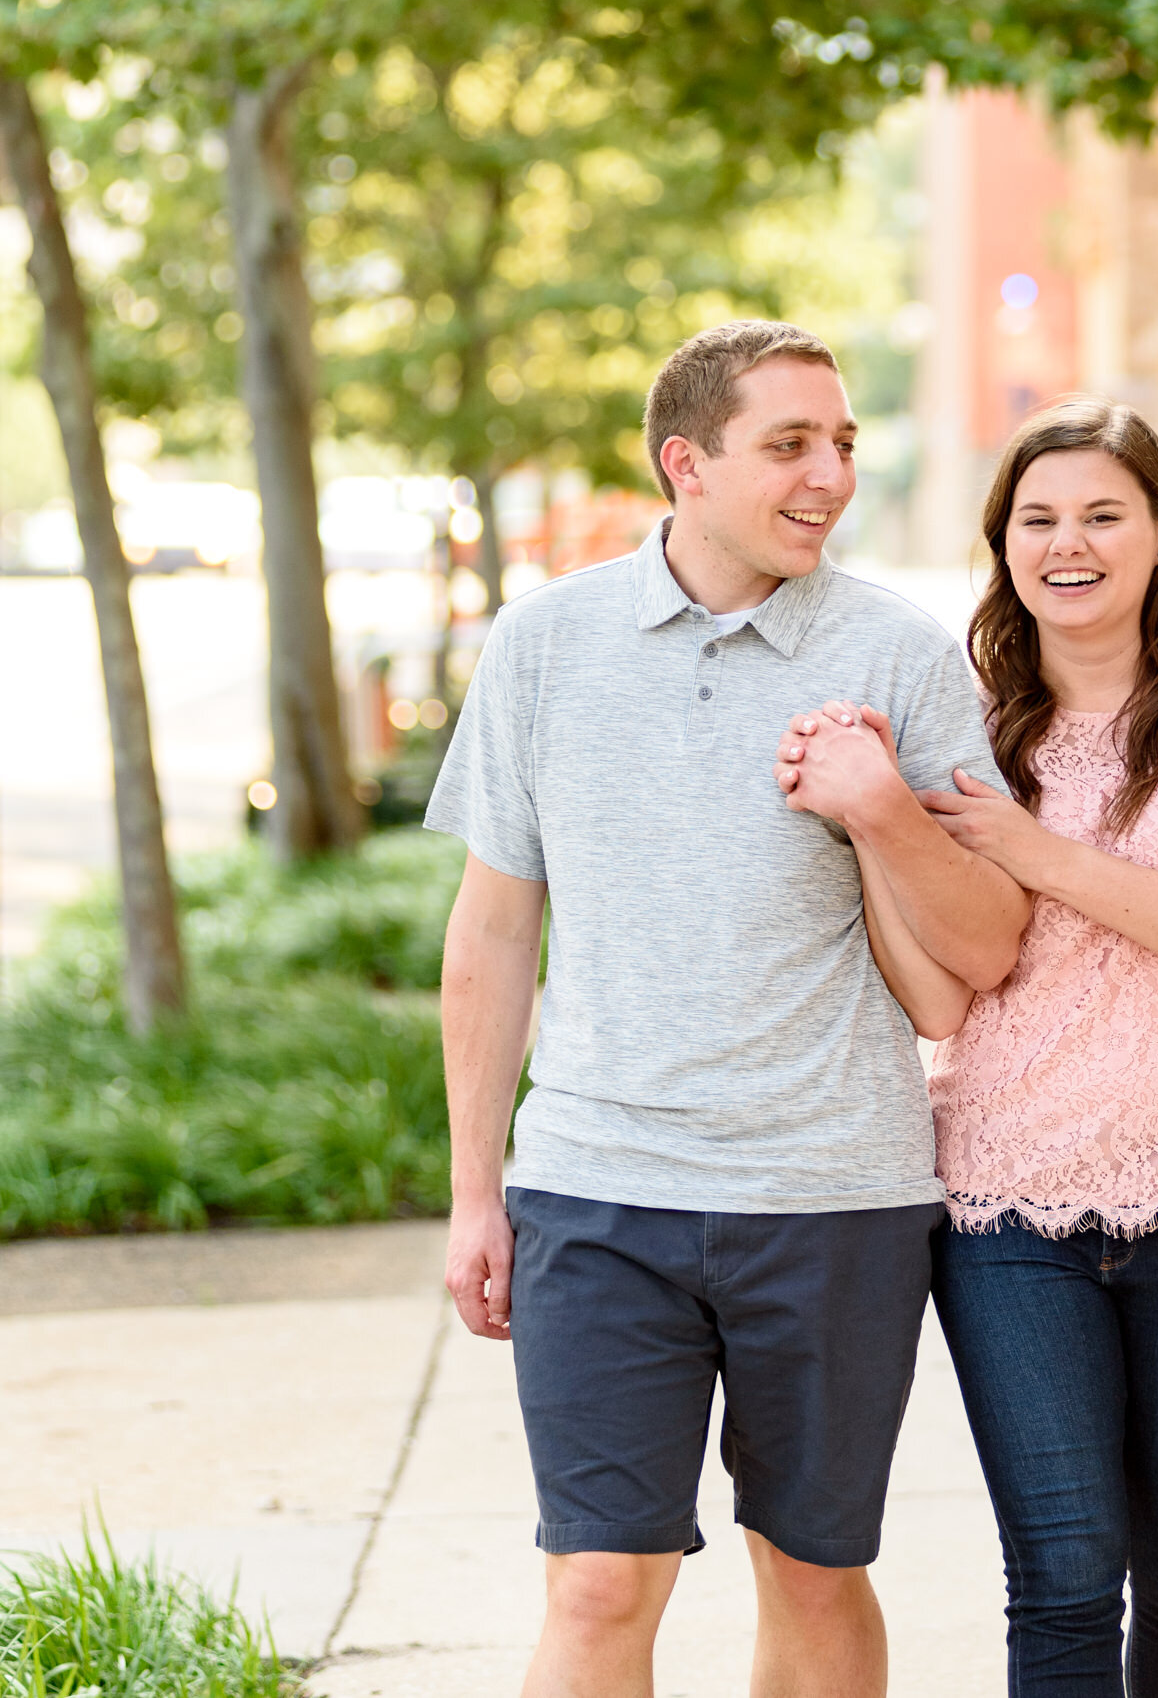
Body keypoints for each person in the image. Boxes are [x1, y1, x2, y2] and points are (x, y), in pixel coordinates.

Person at [427, 318, 1028, 1698]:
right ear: (683, 463)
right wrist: (476, 1193)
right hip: (595, 1188)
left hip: (832, 1194)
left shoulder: (898, 652)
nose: (829, 475)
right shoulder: (544, 644)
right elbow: (494, 930)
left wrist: (881, 812)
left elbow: (988, 945)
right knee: (594, 1583)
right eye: (789, 445)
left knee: (811, 1570)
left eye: (842, 445)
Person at [776, 397, 1158, 1698]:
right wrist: (876, 830)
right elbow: (939, 1000)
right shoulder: (955, 719)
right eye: (1035, 519)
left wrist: (1038, 856)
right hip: (1004, 1210)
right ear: (1002, 543)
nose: (1065, 544)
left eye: (1097, 514)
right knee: (1064, 1572)